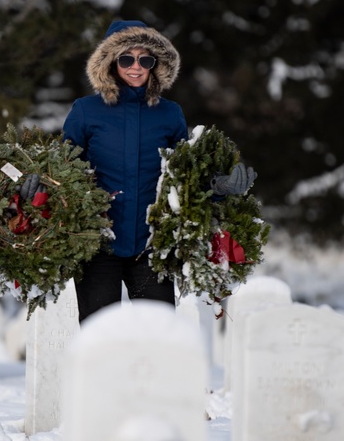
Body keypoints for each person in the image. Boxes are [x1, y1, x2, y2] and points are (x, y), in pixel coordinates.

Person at [20, 19, 254, 322]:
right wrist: (40, 192)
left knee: (156, 339)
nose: (136, 66)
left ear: (156, 64)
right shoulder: (86, 110)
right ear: (110, 61)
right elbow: (63, 171)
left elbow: (185, 177)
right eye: (127, 58)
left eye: (145, 59)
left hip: (150, 248)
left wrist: (218, 187)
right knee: (100, 339)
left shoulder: (169, 114)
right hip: (98, 246)